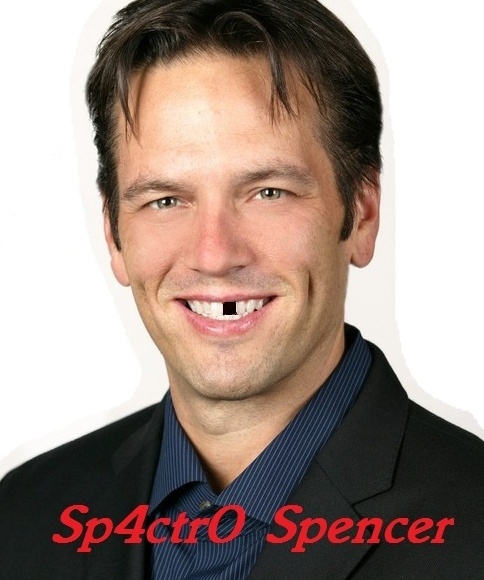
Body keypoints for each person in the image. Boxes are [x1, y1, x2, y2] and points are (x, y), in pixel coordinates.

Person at [0, 0, 483, 578]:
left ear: (361, 213)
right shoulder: (22, 518)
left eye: (269, 192)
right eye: (166, 200)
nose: (214, 254)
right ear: (114, 234)